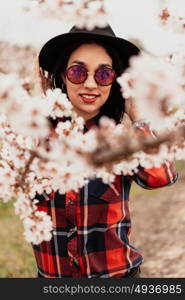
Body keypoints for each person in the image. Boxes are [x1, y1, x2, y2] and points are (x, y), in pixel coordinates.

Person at [33, 24, 178, 278]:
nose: (90, 84)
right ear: (63, 76)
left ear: (115, 82)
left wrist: (138, 119)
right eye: (78, 71)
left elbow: (161, 177)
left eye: (103, 75)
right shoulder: (39, 138)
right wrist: (41, 114)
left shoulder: (120, 141)